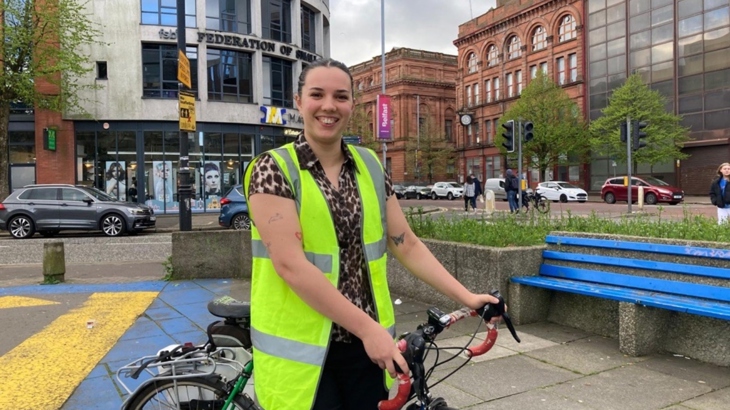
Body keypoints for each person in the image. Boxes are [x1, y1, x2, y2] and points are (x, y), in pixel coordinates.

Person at [243, 58, 502, 410]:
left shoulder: (370, 166)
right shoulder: (272, 168)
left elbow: (405, 243)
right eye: (317, 94)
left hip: (368, 349)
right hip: (304, 353)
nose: (329, 106)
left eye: (341, 96)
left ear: (352, 104)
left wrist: (467, 296)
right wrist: (368, 330)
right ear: (299, 101)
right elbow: (290, 266)